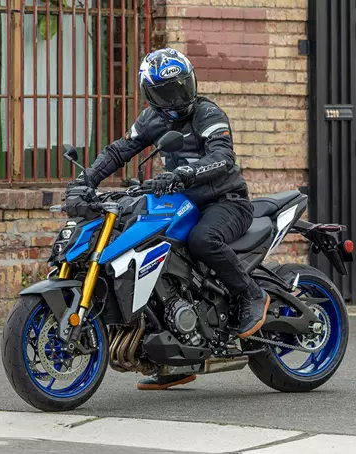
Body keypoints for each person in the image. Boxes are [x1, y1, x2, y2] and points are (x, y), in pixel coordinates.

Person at [64, 48, 270, 391]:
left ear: (191, 82)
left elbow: (222, 158)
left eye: (179, 87)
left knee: (203, 240)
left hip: (225, 201)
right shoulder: (150, 120)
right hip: (179, 200)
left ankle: (251, 295)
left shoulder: (208, 113)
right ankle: (171, 352)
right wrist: (86, 180)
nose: (175, 98)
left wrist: (184, 174)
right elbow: (119, 150)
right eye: (165, 92)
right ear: (151, 94)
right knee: (147, 249)